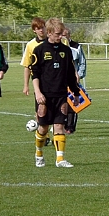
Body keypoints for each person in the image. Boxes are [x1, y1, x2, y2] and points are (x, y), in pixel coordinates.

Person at [30, 18, 81, 168]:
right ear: (50, 33)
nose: (61, 37)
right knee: (43, 127)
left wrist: (76, 93)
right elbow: (35, 74)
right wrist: (38, 93)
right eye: (58, 34)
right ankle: (38, 153)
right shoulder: (39, 50)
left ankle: (60, 159)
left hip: (61, 95)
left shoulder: (66, 51)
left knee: (59, 126)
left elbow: (71, 75)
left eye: (62, 34)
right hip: (44, 96)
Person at [62, 28, 87, 134]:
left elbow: (82, 62)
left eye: (65, 35)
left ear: (69, 35)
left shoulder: (76, 47)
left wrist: (79, 76)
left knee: (73, 102)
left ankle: (70, 126)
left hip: (73, 79)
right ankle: (61, 123)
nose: (63, 37)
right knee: (62, 103)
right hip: (61, 80)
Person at [21, 17, 46, 96]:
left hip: (54, 78)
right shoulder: (30, 45)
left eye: (42, 27)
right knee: (41, 106)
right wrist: (26, 85)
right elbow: (27, 66)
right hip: (38, 80)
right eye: (38, 28)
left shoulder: (53, 42)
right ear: (34, 30)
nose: (41, 30)